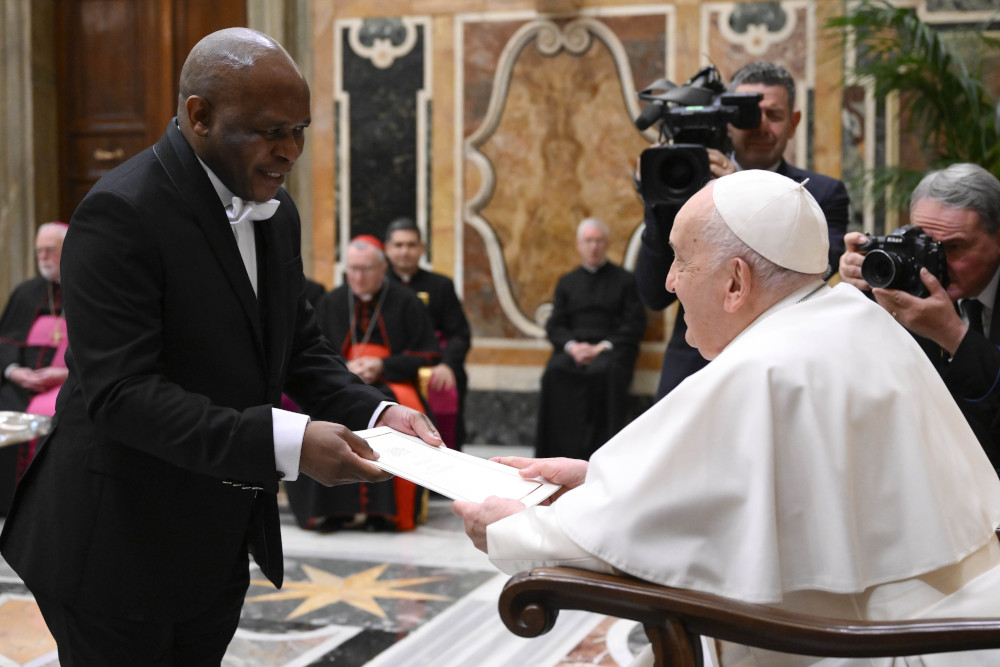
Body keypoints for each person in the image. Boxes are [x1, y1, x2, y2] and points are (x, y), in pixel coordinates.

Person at [0, 28, 441, 664]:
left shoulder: (276, 212)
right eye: (271, 130)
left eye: (300, 130)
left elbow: (298, 347)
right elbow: (122, 395)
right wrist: (284, 443)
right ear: (199, 115)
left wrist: (375, 411)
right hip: (115, 541)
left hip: (214, 537)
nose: (290, 150)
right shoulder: (119, 213)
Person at [454, 170, 1000, 667]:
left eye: (681, 260)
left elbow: (589, 546)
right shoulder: (853, 317)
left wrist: (509, 526)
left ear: (736, 282)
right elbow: (738, 492)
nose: (669, 283)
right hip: (932, 633)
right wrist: (594, 481)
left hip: (858, 651)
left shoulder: (764, 367)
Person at [636, 61, 851, 399]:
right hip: (693, 370)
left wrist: (735, 191)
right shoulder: (684, 184)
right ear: (726, 122)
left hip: (780, 374)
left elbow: (814, 273)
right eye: (747, 114)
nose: (760, 125)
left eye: (774, 115)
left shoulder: (821, 195)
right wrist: (661, 204)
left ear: (794, 123)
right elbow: (654, 293)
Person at [839, 163, 1000, 474]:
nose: (937, 261)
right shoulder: (906, 286)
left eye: (953, 247)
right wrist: (855, 291)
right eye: (924, 244)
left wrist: (953, 336)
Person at [284, 235, 442, 532]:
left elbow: (427, 353)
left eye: (366, 269)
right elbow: (313, 353)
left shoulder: (405, 301)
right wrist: (346, 368)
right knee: (318, 415)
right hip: (335, 384)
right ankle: (329, 512)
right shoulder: (331, 301)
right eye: (352, 269)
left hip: (390, 383)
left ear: (383, 268)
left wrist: (383, 365)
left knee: (394, 413)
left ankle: (384, 513)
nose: (358, 276)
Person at [535, 218, 646, 459]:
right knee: (555, 372)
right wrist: (573, 347)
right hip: (574, 350)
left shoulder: (625, 281)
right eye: (588, 241)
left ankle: (602, 456)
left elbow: (634, 324)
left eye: (598, 241)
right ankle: (558, 454)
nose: (593, 247)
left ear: (606, 244)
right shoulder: (567, 282)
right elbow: (555, 325)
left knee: (604, 372)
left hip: (609, 351)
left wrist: (600, 348)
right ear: (579, 245)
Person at [384, 217, 472, 449]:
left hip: (433, 366)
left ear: (422, 248)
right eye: (399, 245)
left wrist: (448, 365)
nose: (405, 251)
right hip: (392, 365)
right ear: (387, 248)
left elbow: (459, 334)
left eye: (412, 245)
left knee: (451, 381)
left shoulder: (441, 285)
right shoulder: (378, 286)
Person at [0, 222, 70, 514]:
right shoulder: (27, 292)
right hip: (21, 385)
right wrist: (14, 370)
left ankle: (45, 509)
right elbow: (5, 341)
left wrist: (66, 374)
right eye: (39, 251)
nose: (43, 257)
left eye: (50, 251)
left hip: (69, 385)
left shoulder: (89, 289)